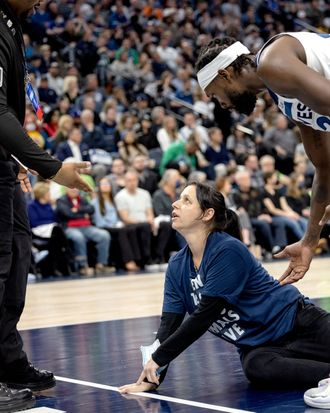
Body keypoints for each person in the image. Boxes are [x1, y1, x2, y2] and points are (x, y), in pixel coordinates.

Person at [119, 182, 330, 399]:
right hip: (260, 347)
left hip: (301, 325)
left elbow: (204, 316)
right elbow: (168, 326)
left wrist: (160, 357)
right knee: (257, 369)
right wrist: (151, 379)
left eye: (186, 200)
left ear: (207, 213)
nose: (175, 203)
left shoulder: (227, 249)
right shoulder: (176, 266)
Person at [0, 1, 92, 411]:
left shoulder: (13, 23)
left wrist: (17, 159)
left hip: (5, 164)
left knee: (18, 258)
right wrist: (52, 169)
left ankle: (7, 360)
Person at [194, 33, 330, 286]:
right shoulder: (283, 95)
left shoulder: (273, 62)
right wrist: (309, 242)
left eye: (215, 95)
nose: (221, 105)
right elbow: (325, 168)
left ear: (225, 74)